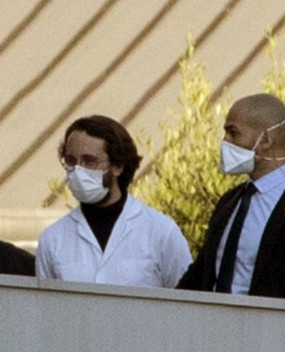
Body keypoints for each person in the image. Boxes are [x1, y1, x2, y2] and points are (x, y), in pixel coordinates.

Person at [177, 93, 285, 302]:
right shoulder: (230, 201)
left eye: (233, 133)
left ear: (265, 140)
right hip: (215, 329)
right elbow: (201, 276)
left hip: (271, 332)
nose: (225, 141)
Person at [37, 115, 191, 288]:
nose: (78, 170)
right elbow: (46, 309)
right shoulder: (53, 239)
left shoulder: (161, 232)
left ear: (118, 166)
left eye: (89, 161)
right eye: (71, 161)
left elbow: (185, 303)